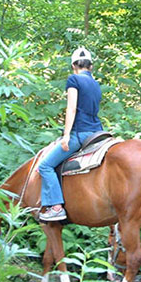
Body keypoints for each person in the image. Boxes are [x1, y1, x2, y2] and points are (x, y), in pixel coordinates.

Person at [38, 47, 103, 221]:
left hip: (80, 133)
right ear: (91, 66)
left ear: (73, 65)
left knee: (44, 166)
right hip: (98, 132)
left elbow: (71, 108)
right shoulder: (96, 84)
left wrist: (66, 135)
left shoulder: (74, 79)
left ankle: (56, 207)